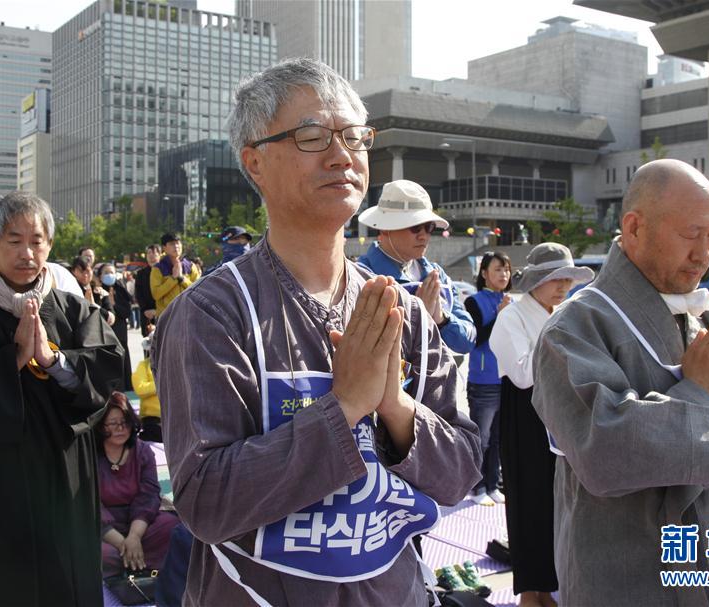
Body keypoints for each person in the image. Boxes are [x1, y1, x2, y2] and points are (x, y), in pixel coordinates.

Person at [152, 57, 481, 606]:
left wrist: (395, 407)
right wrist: (346, 406)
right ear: (254, 163)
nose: (341, 156)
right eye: (311, 136)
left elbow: (462, 471)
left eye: (354, 137)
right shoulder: (212, 314)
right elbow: (206, 501)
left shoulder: (399, 308)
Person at [531, 159, 709, 606]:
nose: (705, 253)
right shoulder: (575, 325)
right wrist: (700, 393)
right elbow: (602, 454)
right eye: (691, 234)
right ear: (635, 227)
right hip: (632, 561)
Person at [0, 191, 125, 606]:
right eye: (13, 240)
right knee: (8, 583)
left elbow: (109, 368)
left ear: (50, 245)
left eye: (36, 240)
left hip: (66, 472)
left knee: (69, 578)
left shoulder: (74, 310)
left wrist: (53, 359)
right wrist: (15, 358)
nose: (27, 252)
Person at [489, 243, 593, 607]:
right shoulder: (511, 317)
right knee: (528, 502)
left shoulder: (564, 313)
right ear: (535, 280)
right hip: (527, 418)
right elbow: (521, 374)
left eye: (567, 278)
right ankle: (532, 591)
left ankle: (551, 586)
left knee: (559, 502)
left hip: (561, 416)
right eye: (555, 279)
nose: (563, 285)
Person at [358, 180, 476, 355]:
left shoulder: (436, 274)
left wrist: (441, 320)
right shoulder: (361, 274)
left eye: (429, 227)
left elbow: (469, 340)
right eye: (415, 228)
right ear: (384, 229)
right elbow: (363, 348)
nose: (424, 236)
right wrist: (421, 319)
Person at [97, 391, 179, 578]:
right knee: (101, 554)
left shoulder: (142, 451)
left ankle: (134, 561)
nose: (120, 428)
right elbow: (90, 505)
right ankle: (131, 560)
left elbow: (149, 495)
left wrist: (134, 536)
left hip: (140, 523)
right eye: (112, 423)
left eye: (124, 422)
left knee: (174, 528)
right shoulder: (89, 455)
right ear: (100, 426)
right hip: (104, 529)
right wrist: (122, 543)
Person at [463, 251, 513, 506]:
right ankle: (477, 486)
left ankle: (493, 484)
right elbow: (477, 338)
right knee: (480, 437)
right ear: (484, 274)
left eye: (506, 270)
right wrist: (500, 315)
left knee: (498, 438)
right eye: (498, 270)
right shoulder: (474, 302)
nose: (504, 275)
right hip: (483, 381)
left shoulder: (510, 301)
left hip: (507, 379)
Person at [99, 262, 134, 390]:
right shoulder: (98, 291)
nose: (109, 275)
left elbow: (127, 312)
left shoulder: (120, 289)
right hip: (104, 334)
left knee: (123, 360)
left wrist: (114, 304)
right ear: (100, 276)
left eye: (112, 272)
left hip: (120, 332)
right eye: (106, 273)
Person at [151, 233, 200, 319]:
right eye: (172, 244)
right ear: (164, 248)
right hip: (166, 317)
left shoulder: (191, 266)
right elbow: (156, 294)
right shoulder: (158, 268)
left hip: (188, 315)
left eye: (178, 243)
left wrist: (181, 279)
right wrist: (173, 278)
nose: (176, 246)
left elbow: (198, 291)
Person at [72, 256, 116, 327]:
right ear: (73, 271)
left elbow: (111, 319)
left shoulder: (99, 292)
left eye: (88, 271)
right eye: (81, 271)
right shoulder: (69, 290)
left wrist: (93, 305)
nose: (85, 275)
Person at [133, 337, 162, 443]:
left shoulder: (173, 364)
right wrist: (161, 384)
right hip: (152, 418)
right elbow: (140, 389)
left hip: (173, 417)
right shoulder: (143, 366)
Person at [136, 244, 160, 337]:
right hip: (147, 314)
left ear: (160, 254)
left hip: (163, 312)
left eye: (154, 253)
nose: (151, 256)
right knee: (148, 346)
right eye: (148, 253)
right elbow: (139, 294)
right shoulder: (141, 274)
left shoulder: (165, 272)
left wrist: (157, 311)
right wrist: (145, 309)